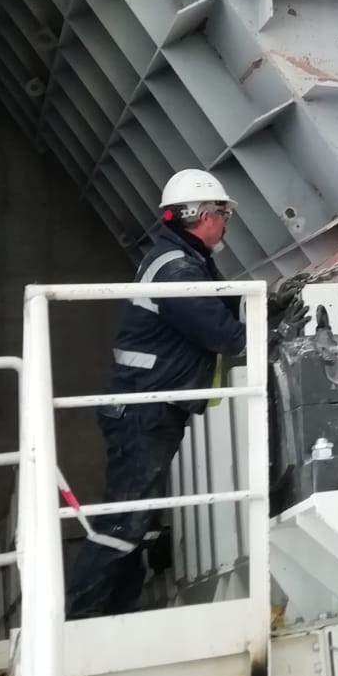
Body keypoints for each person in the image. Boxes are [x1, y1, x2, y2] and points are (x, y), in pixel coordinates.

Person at [64, 169, 247, 619]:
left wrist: (266, 305)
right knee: (124, 523)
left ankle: (116, 614)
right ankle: (80, 622)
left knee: (137, 522)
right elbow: (222, 333)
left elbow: (219, 305)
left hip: (146, 410)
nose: (226, 224)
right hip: (142, 413)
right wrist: (265, 327)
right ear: (204, 216)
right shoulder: (177, 269)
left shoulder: (182, 258)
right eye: (223, 214)